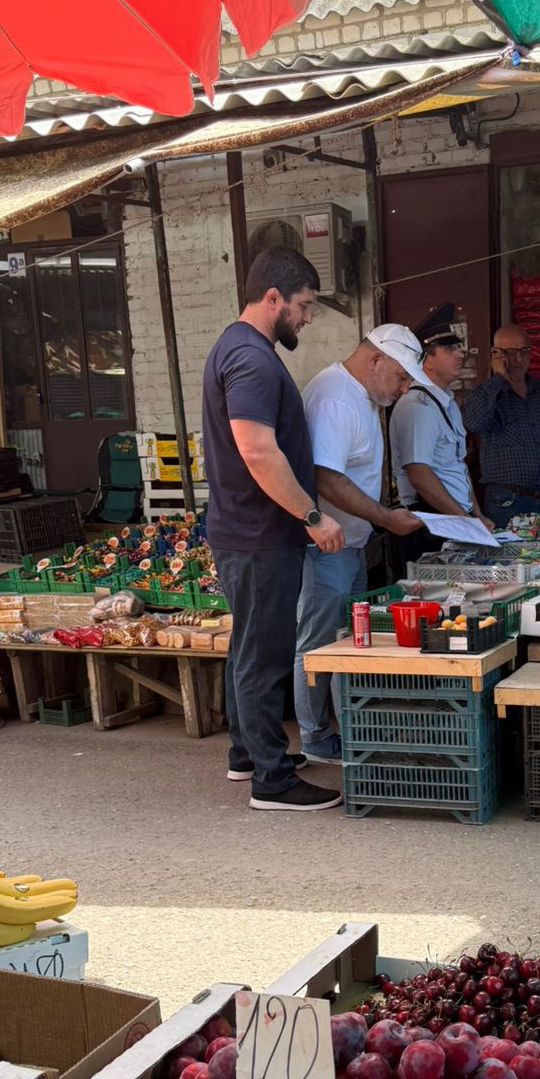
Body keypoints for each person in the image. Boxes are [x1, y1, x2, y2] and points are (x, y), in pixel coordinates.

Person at [201, 247, 346, 813]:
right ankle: (272, 780)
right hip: (259, 535)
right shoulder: (252, 359)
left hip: (246, 531)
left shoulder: (240, 350)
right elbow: (258, 451)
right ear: (272, 298)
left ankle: (248, 754)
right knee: (264, 654)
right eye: (304, 306)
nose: (307, 319)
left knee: (249, 646)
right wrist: (312, 515)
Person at [295, 326, 427, 759]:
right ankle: (315, 736)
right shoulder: (335, 397)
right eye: (401, 377)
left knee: (344, 641)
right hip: (327, 546)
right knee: (318, 643)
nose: (404, 388)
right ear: (375, 360)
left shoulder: (363, 395)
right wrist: (386, 517)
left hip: (350, 543)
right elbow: (326, 478)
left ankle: (341, 728)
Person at [388, 303, 491, 570]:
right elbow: (420, 475)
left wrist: (475, 514)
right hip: (430, 523)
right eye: (450, 349)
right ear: (427, 359)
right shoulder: (418, 405)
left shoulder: (446, 402)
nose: (460, 354)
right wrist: (464, 521)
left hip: (453, 519)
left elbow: (458, 465)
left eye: (458, 347)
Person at [462, 324, 540, 529]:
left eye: (524, 351)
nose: (519, 359)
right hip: (507, 502)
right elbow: (476, 423)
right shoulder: (484, 393)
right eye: (511, 352)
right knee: (508, 560)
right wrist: (499, 378)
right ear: (495, 354)